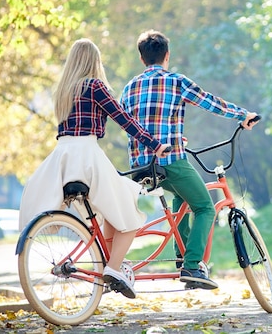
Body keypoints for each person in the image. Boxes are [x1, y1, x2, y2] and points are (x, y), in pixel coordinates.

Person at [18, 38, 170, 299]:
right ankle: (114, 270)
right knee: (130, 215)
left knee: (112, 212)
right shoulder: (95, 86)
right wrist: (155, 145)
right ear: (94, 61)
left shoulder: (63, 91)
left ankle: (112, 266)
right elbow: (125, 120)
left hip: (62, 159)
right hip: (86, 156)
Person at [120, 30, 259, 290]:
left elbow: (130, 123)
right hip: (170, 161)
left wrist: (170, 138)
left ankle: (181, 256)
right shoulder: (176, 81)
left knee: (181, 196)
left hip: (139, 166)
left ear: (141, 58)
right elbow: (210, 103)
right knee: (205, 207)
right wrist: (243, 115)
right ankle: (193, 266)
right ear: (167, 56)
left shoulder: (130, 87)